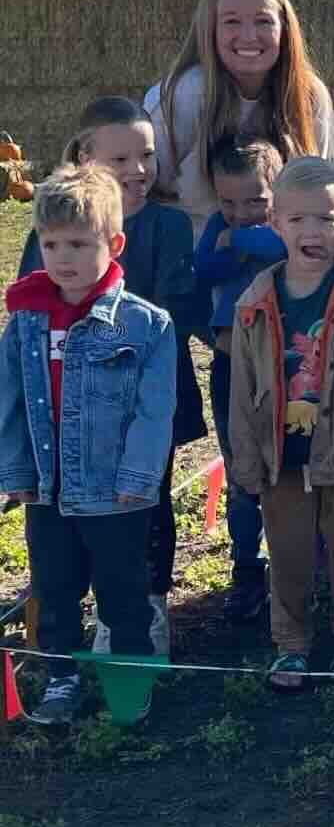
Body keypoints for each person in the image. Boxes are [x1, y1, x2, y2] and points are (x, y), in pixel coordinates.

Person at [21, 96, 206, 656]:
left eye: (146, 155)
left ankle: (145, 606)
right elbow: (36, 303)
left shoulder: (169, 226)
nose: (138, 170)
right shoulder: (52, 227)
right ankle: (71, 604)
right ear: (82, 156)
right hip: (74, 396)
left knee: (148, 499)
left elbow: (175, 311)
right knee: (71, 500)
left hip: (150, 393)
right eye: (120, 159)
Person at [0, 167, 177, 726]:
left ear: (114, 244)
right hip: (47, 488)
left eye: (78, 243)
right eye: (51, 244)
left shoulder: (146, 326)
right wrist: (14, 470)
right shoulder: (24, 321)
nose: (62, 257)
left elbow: (155, 412)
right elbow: (8, 401)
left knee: (123, 592)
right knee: (54, 589)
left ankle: (129, 680)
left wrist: (138, 478)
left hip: (113, 491)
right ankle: (61, 678)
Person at [228, 156, 334, 689]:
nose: (312, 231)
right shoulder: (254, 300)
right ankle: (292, 644)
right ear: (275, 222)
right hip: (280, 454)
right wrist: (244, 456)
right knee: (288, 549)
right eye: (298, 219)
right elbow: (240, 387)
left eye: (324, 219)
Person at [146, 0, 334, 237]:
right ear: (210, 30)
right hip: (192, 259)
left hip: (281, 259)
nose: (249, 36)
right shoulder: (183, 95)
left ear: (284, 28)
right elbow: (143, 192)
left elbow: (320, 187)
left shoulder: (309, 96)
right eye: (232, 22)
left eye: (263, 21)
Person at [194, 137, 287, 622]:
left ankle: (297, 563)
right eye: (228, 202)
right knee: (240, 469)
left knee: (290, 465)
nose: (241, 213)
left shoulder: (284, 227)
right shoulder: (216, 226)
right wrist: (234, 249)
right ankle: (246, 566)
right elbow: (203, 267)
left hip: (284, 367)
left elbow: (284, 251)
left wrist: (246, 242)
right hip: (232, 366)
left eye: (255, 201)